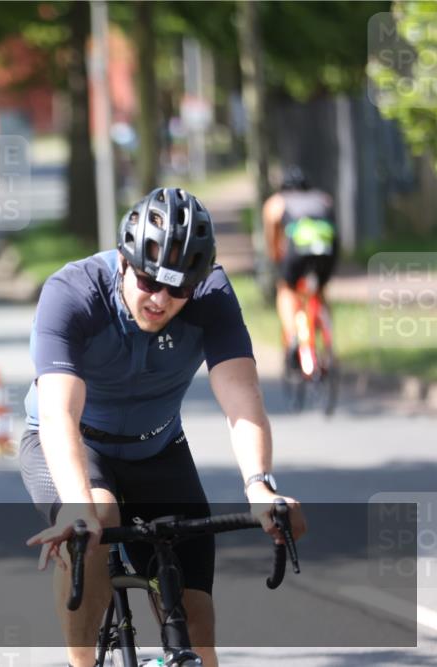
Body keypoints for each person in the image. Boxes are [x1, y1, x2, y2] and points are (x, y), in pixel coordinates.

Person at [22, 187, 308, 667]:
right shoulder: (72, 294)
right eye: (149, 281)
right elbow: (58, 415)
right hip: (77, 445)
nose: (160, 298)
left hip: (158, 448)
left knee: (197, 626)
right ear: (122, 261)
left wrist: (260, 485)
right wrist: (77, 507)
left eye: (179, 289)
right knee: (97, 519)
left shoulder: (212, 296)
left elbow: (242, 398)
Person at [262, 166, 337, 367]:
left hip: (297, 253)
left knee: (286, 289)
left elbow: (272, 240)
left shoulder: (276, 202)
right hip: (327, 251)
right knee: (320, 290)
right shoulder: (323, 198)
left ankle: (294, 335)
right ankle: (328, 338)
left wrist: (275, 256)